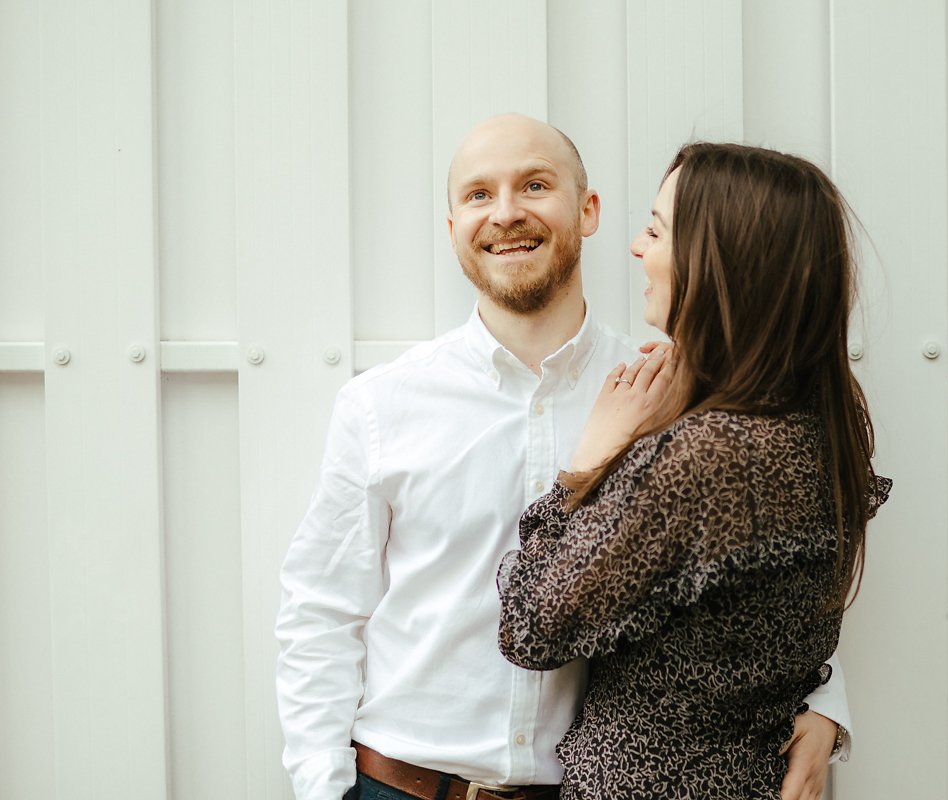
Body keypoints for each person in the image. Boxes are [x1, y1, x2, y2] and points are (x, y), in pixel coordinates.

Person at [276, 115, 853, 800]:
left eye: (535, 184)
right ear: (452, 225)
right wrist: (323, 789)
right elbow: (322, 612)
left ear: (588, 210)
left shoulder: (665, 392)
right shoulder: (381, 405)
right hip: (403, 785)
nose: (508, 213)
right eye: (479, 195)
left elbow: (750, 585)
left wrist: (825, 709)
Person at [496, 142, 891, 799]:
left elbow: (533, 627)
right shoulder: (828, 417)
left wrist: (590, 459)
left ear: (720, 262)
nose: (635, 248)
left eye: (655, 229)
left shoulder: (706, 458)